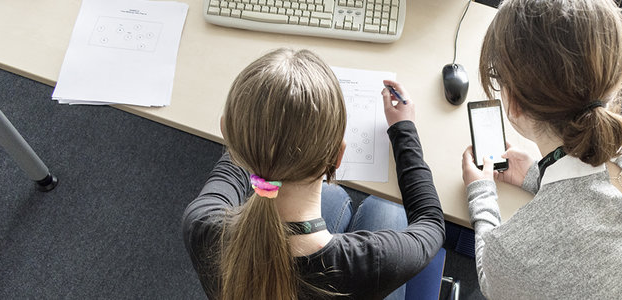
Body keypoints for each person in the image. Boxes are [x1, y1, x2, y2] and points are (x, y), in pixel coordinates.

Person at [460, 0, 622, 298]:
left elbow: (492, 283)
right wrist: (536, 175)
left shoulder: (514, 250)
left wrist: (482, 195)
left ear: (513, 102)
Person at [181, 48, 444, 299]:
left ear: (227, 134)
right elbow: (431, 222)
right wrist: (403, 129)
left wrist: (257, 121)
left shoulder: (201, 226)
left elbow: (237, 154)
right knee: (386, 207)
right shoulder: (374, 262)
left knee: (335, 197)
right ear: (337, 157)